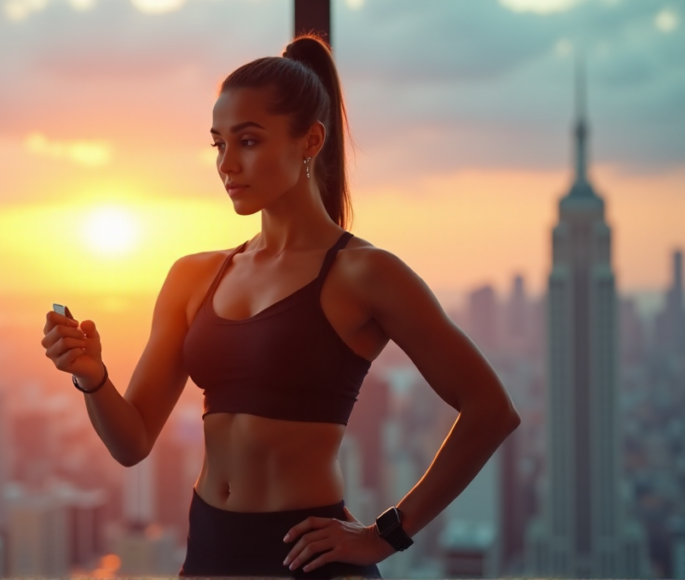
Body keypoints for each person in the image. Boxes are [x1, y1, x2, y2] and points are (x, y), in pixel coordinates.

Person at [42, 33, 521, 579]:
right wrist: (92, 376)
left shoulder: (365, 274)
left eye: (247, 141)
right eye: (218, 144)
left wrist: (385, 535)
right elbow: (131, 444)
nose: (226, 164)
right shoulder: (192, 276)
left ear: (310, 140)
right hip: (209, 556)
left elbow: (491, 409)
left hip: (310, 562)